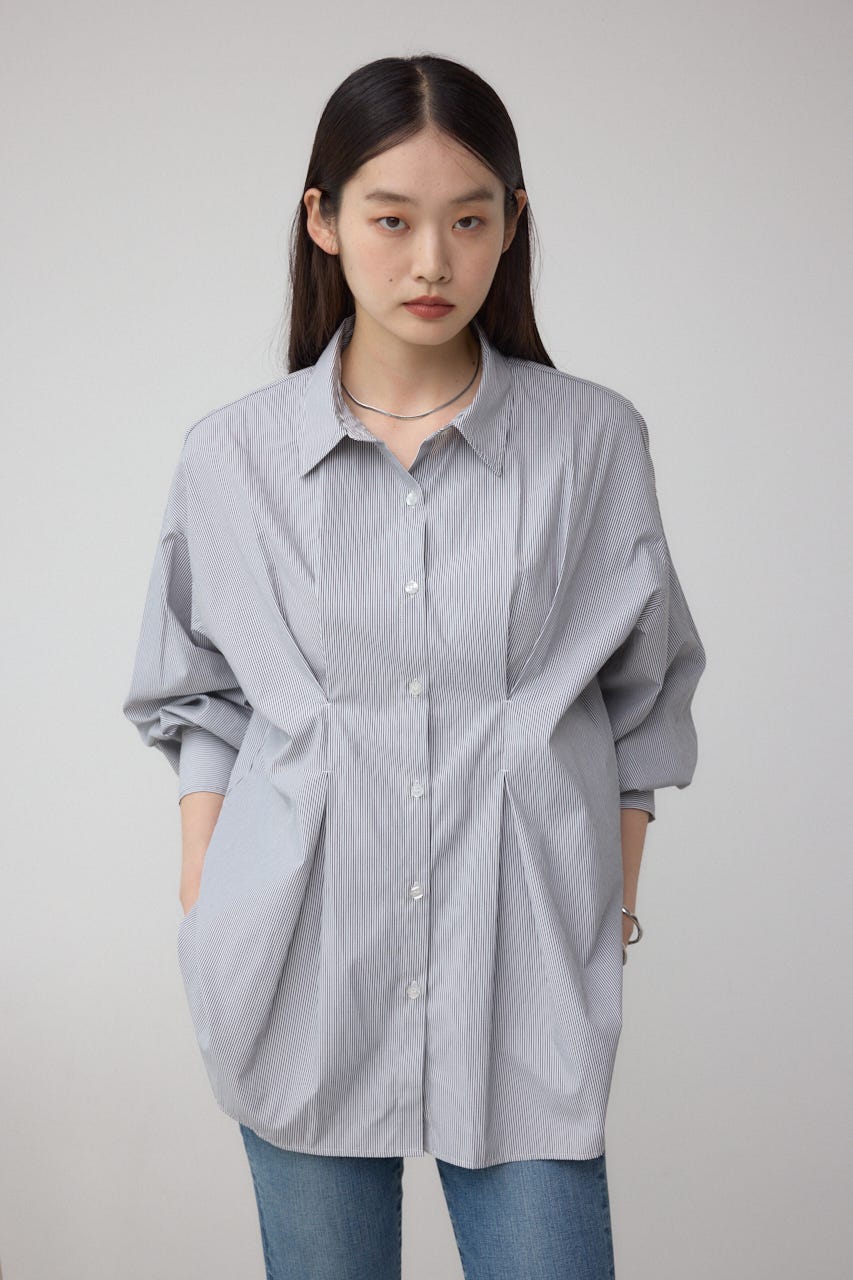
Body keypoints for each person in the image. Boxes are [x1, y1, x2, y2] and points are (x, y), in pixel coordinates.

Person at [122, 52, 707, 1280]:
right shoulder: (231, 457)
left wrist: (605, 907)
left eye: (467, 220)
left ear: (512, 225)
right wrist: (208, 895)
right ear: (324, 220)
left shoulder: (592, 441)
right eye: (391, 219)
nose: (431, 260)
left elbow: (640, 697)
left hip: (525, 972)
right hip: (296, 965)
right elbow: (202, 692)